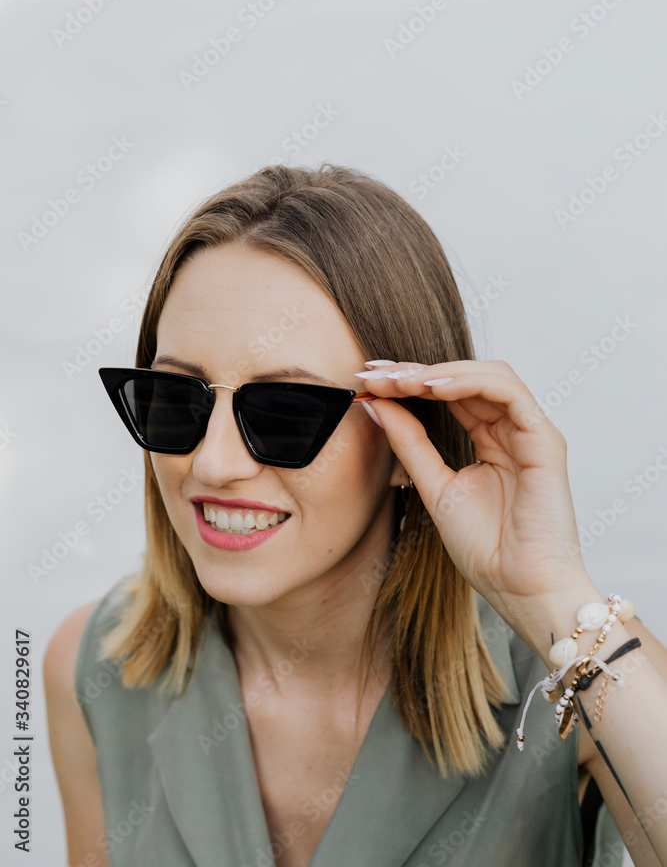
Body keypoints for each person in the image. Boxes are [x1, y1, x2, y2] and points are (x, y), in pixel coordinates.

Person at [43, 163, 667, 867]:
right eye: (176, 400)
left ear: (411, 437)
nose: (213, 463)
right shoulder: (92, 671)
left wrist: (552, 592)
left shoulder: (574, 686)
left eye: (283, 412)